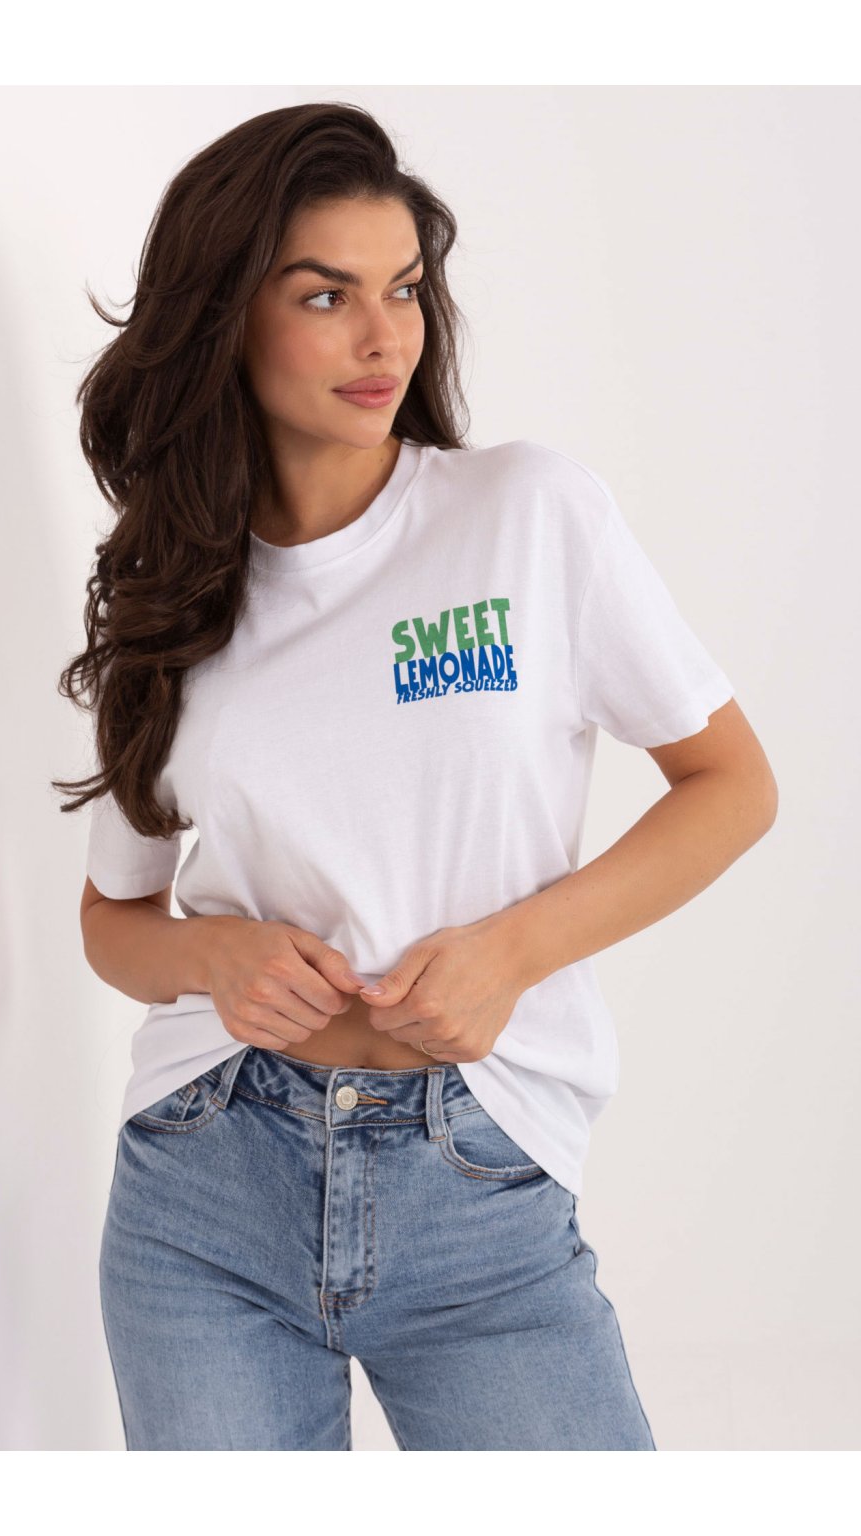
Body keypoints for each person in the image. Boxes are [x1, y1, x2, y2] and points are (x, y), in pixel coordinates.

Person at [55, 102, 778, 1451]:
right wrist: (215, 958)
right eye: (327, 295)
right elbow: (115, 922)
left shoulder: (527, 514)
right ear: (226, 314)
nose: (386, 337)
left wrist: (514, 952)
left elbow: (732, 784)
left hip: (479, 1184)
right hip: (207, 1187)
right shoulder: (170, 596)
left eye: (405, 290)